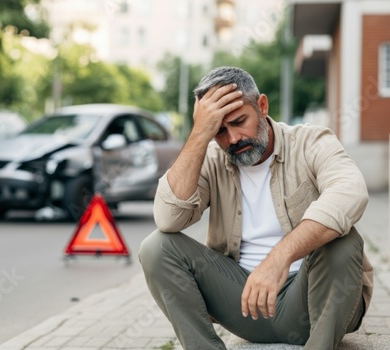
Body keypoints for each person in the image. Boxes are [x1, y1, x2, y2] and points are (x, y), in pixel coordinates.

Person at [138, 66, 373, 350]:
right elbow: (167, 218)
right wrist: (199, 135)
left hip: (314, 300)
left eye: (239, 121)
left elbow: (351, 193)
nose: (233, 139)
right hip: (246, 306)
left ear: (262, 106)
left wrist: (279, 259)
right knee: (156, 247)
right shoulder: (211, 156)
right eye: (219, 130)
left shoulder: (310, 142)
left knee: (343, 240)